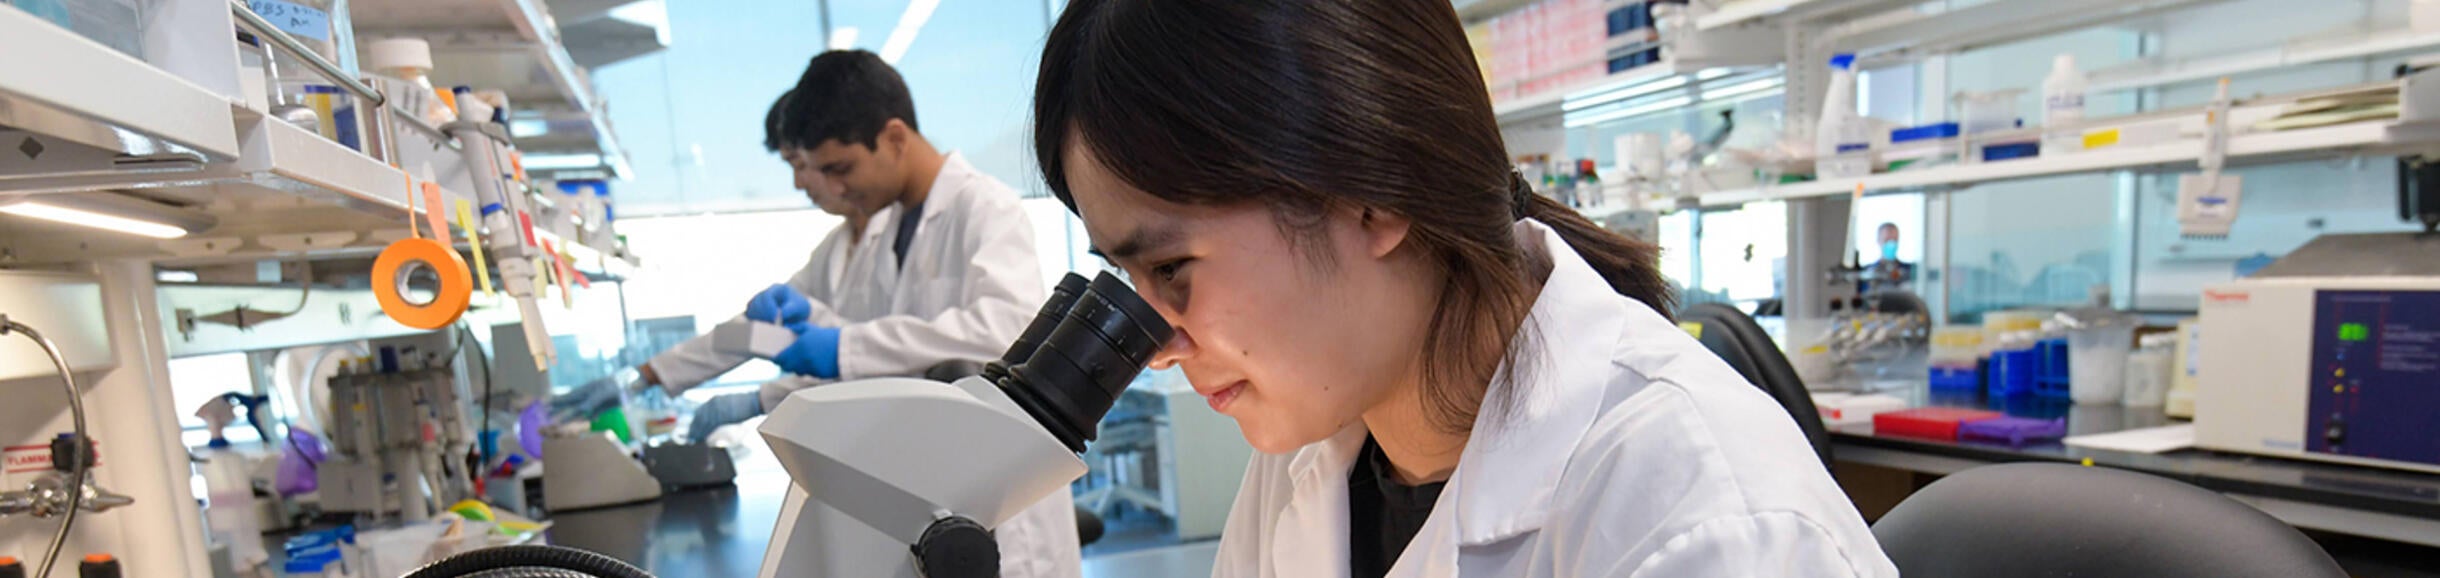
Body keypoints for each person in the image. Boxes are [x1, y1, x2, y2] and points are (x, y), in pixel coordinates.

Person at [1031, 1, 1896, 577]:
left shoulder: (1707, 521)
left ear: (1373, 197)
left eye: (1170, 271)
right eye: (1127, 279)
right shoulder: (1309, 464)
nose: (1154, 346)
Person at [750, 49, 1078, 578]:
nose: (835, 189)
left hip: (1002, 502)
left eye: (841, 168)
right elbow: (894, 348)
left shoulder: (984, 207)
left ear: (895, 137)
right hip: (931, 488)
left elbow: (1007, 327)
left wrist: (845, 347)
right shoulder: (888, 231)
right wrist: (824, 334)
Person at [549, 89, 895, 443]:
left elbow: (883, 362)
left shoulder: (898, 235)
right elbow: (751, 333)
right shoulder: (834, 248)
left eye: (802, 165)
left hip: (890, 431)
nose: (799, 182)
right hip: (857, 433)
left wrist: (761, 398)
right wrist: (645, 376)